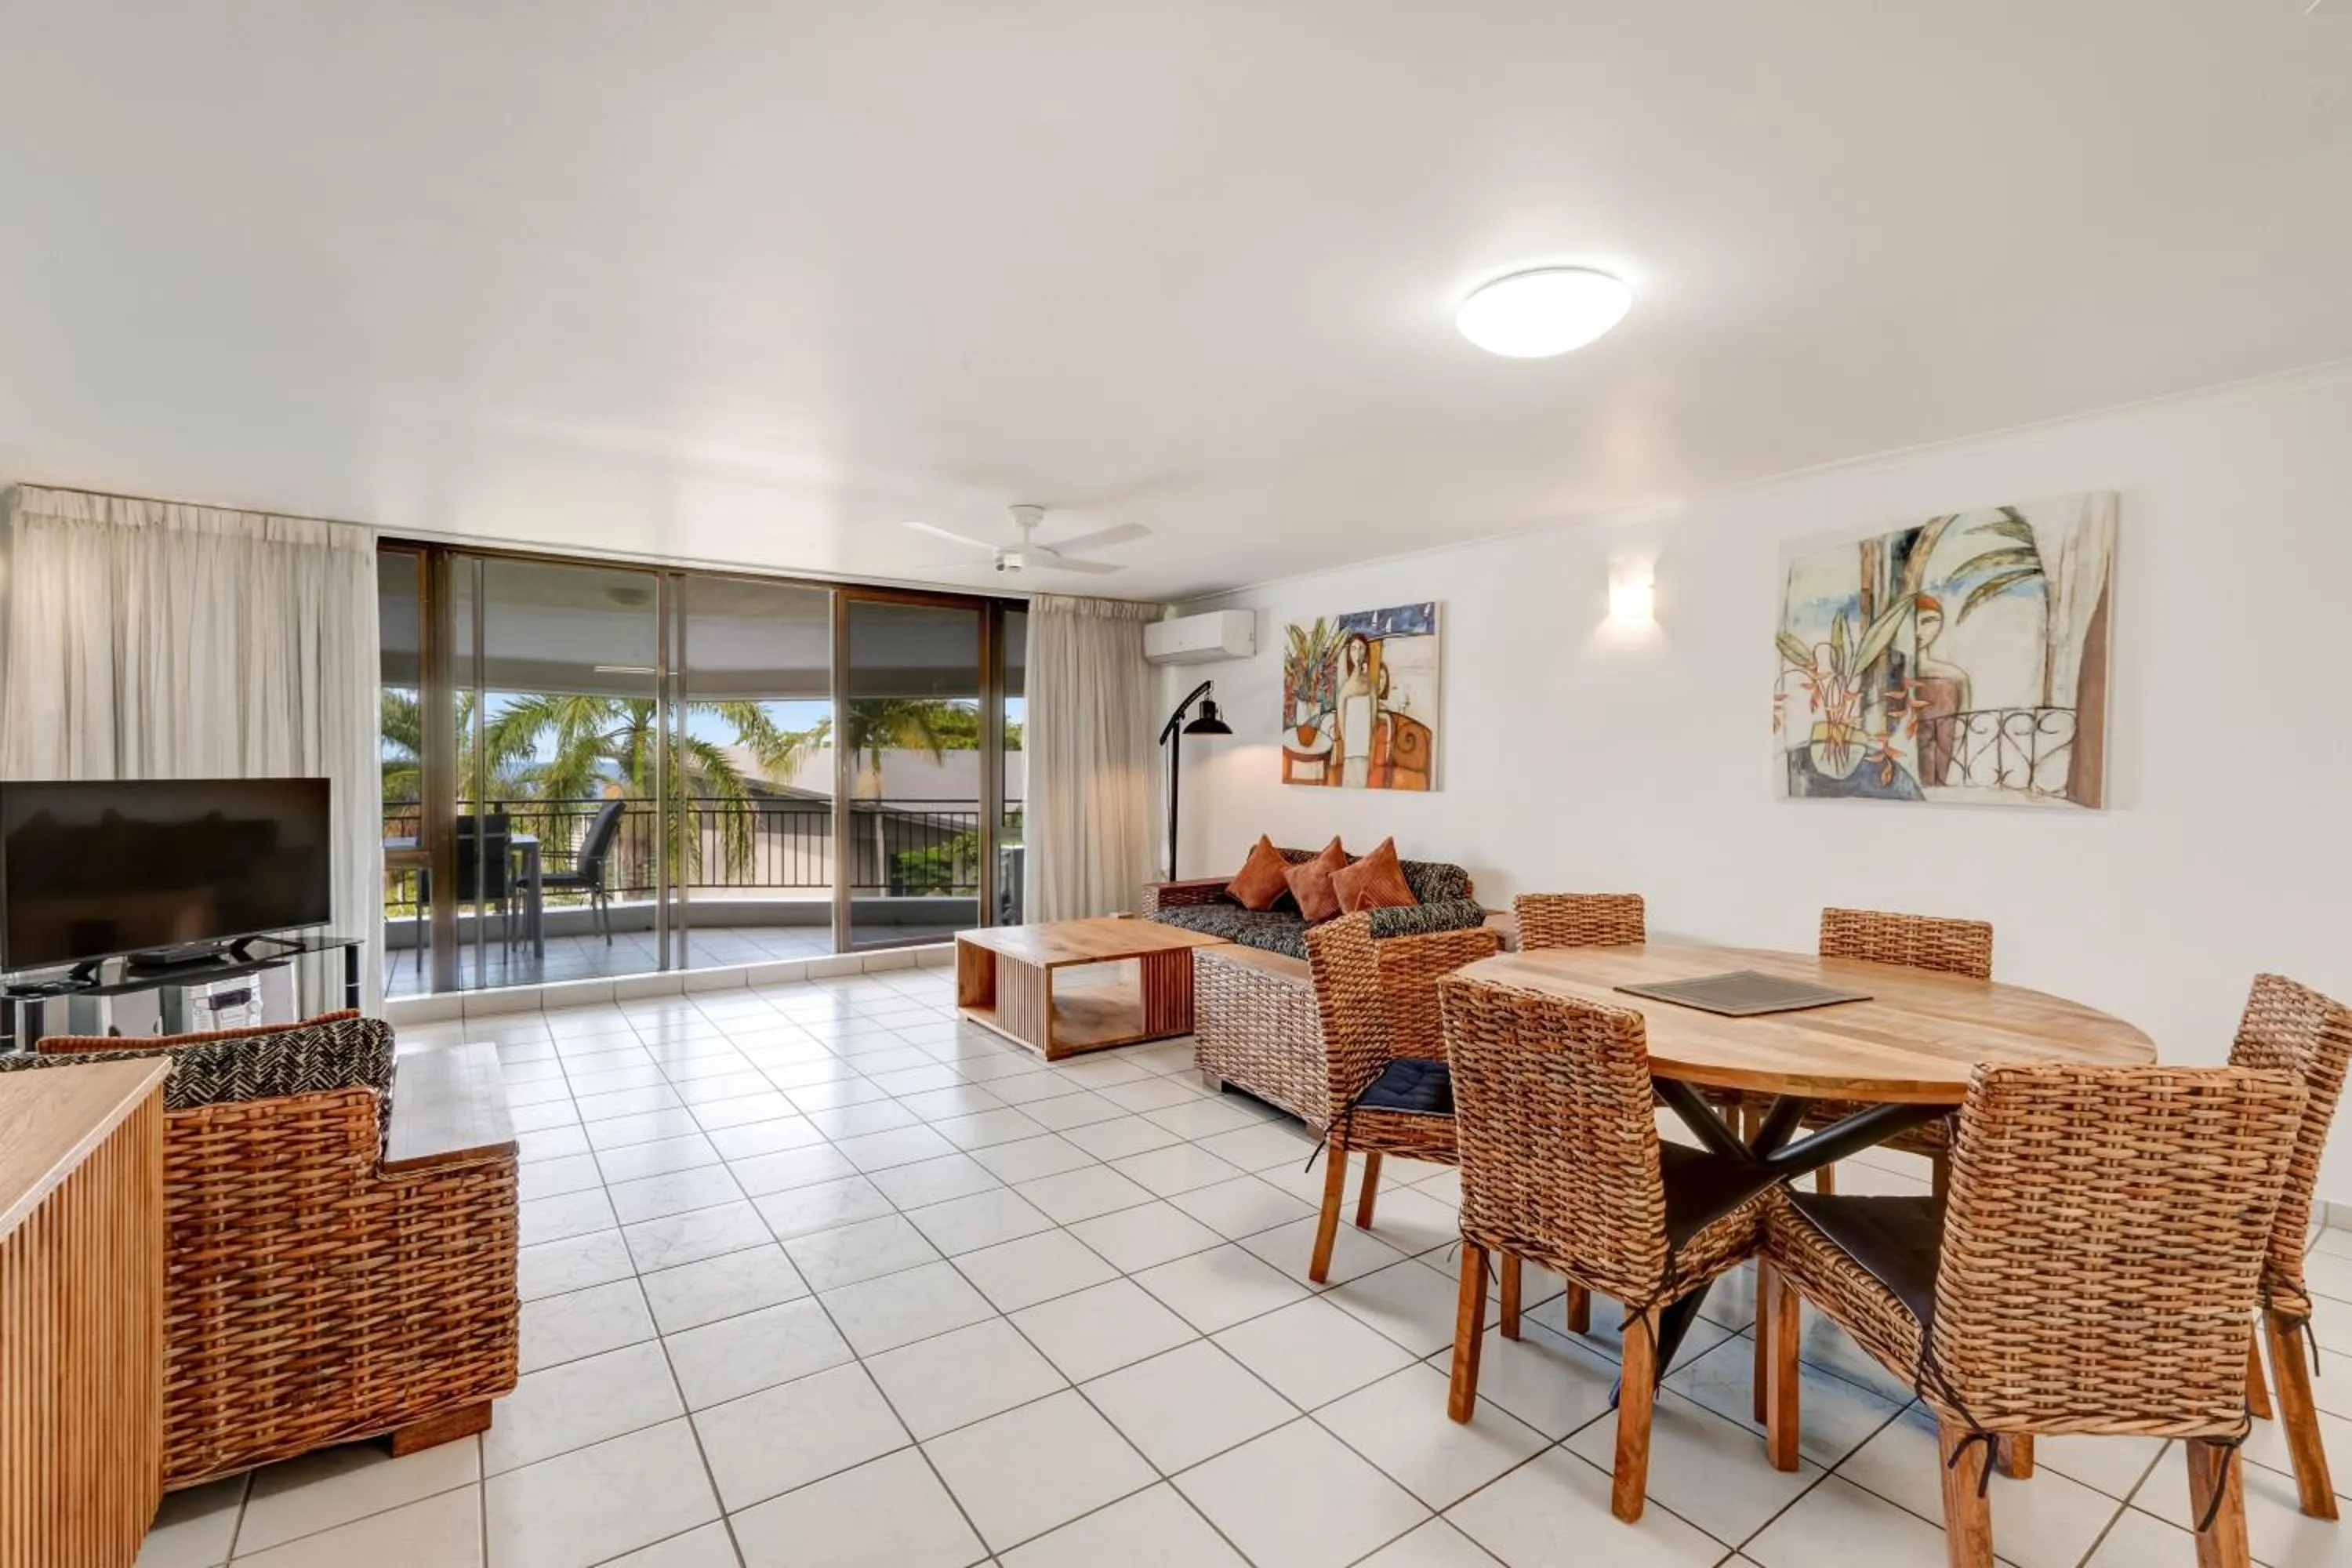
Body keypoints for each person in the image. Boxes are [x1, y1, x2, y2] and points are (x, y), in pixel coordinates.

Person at [1334, 631, 1377, 789]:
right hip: (1351, 746)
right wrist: (1346, 740)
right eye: (1353, 649)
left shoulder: (1370, 684)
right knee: (1349, 781)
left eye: (1361, 649)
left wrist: (1370, 739)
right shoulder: (1346, 684)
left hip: (1363, 745)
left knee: (1361, 781)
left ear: (1366, 652)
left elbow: (1373, 715)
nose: (1357, 653)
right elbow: (1341, 713)